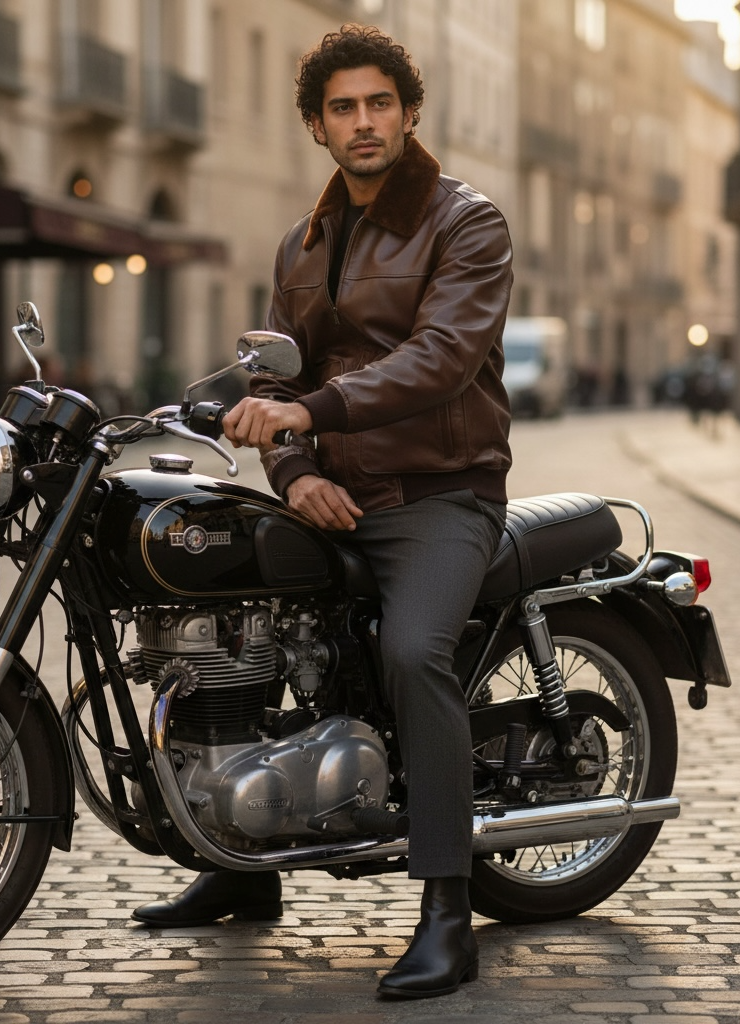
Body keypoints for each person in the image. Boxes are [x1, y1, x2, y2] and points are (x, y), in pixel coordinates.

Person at [132, 23, 513, 1001]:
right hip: (331, 495)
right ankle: (238, 861)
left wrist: (312, 412)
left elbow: (442, 358)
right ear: (316, 125)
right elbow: (272, 377)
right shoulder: (299, 245)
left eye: (380, 103)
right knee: (226, 609)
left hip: (439, 491)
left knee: (413, 652)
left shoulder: (467, 223)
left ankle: (446, 908)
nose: (363, 121)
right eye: (342, 108)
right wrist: (294, 470)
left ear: (410, 112)